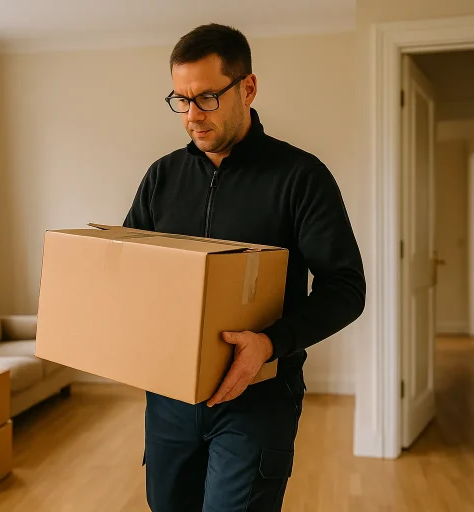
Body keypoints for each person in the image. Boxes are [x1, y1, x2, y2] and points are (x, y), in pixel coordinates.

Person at [123, 23, 366, 512]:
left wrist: (271, 343)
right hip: (170, 397)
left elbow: (345, 288)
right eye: (181, 99)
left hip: (258, 398)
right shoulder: (162, 177)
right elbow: (131, 272)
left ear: (248, 88)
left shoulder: (301, 177)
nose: (192, 116)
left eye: (207, 97)